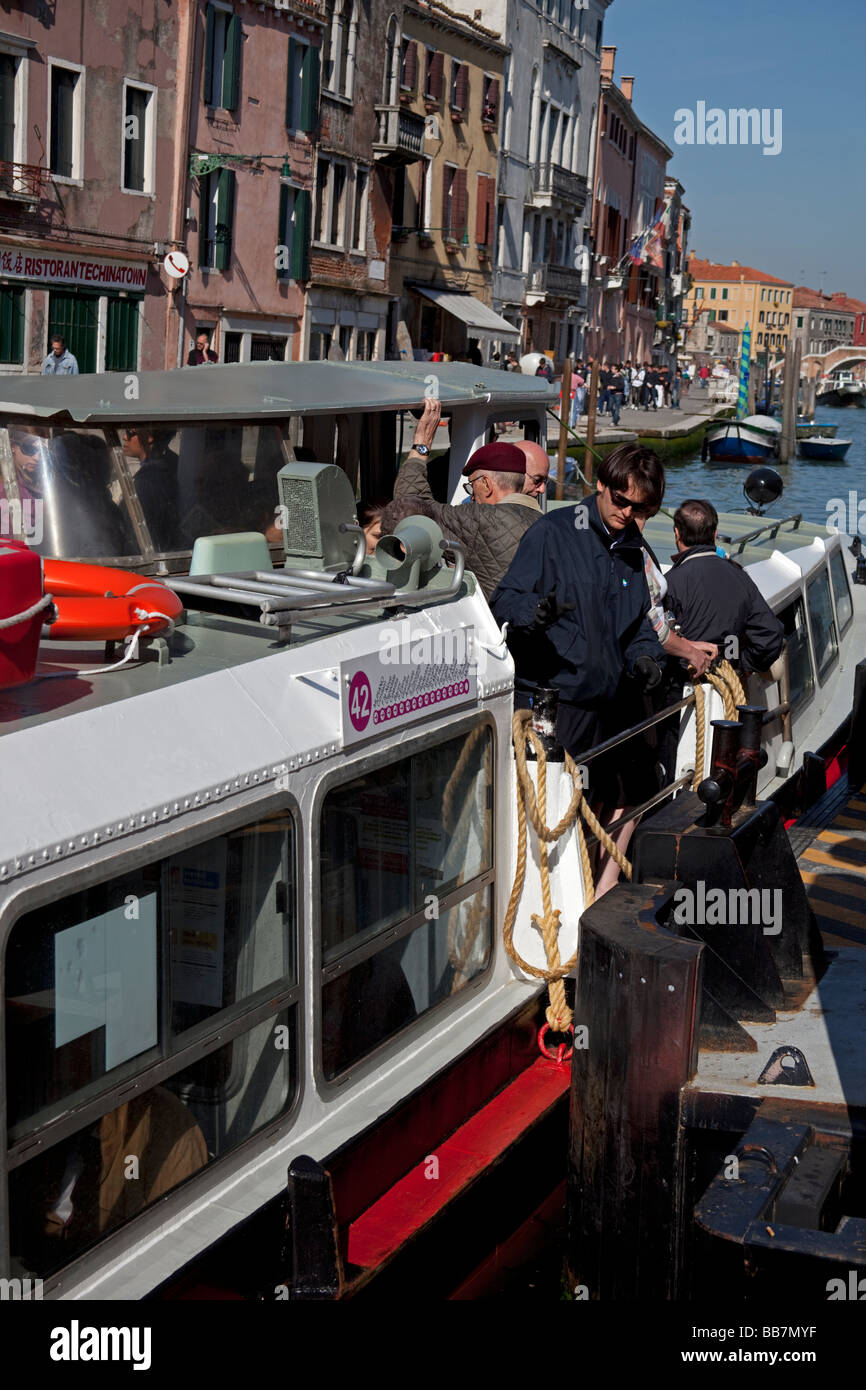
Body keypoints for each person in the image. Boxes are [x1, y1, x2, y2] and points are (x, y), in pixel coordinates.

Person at [491, 441, 667, 808]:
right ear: (601, 484)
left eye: (640, 508)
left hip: (605, 708)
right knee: (546, 810)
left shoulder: (632, 549)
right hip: (554, 705)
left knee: (590, 811)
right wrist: (534, 611)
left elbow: (636, 625)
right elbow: (504, 600)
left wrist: (646, 657)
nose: (627, 513)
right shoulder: (551, 532)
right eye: (621, 500)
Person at [379, 397, 541, 602]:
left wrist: (421, 446)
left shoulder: (482, 520)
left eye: (472, 486)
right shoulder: (546, 521)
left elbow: (408, 511)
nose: (472, 496)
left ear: (486, 485)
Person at [664, 499, 785, 674]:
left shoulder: (670, 582)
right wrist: (742, 665)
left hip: (683, 684)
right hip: (728, 679)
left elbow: (655, 636)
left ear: (677, 534)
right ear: (715, 534)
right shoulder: (741, 578)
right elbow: (771, 634)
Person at [122, 426, 181, 551]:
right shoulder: (175, 463)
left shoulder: (146, 481)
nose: (124, 437)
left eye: (130, 433)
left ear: (149, 438)